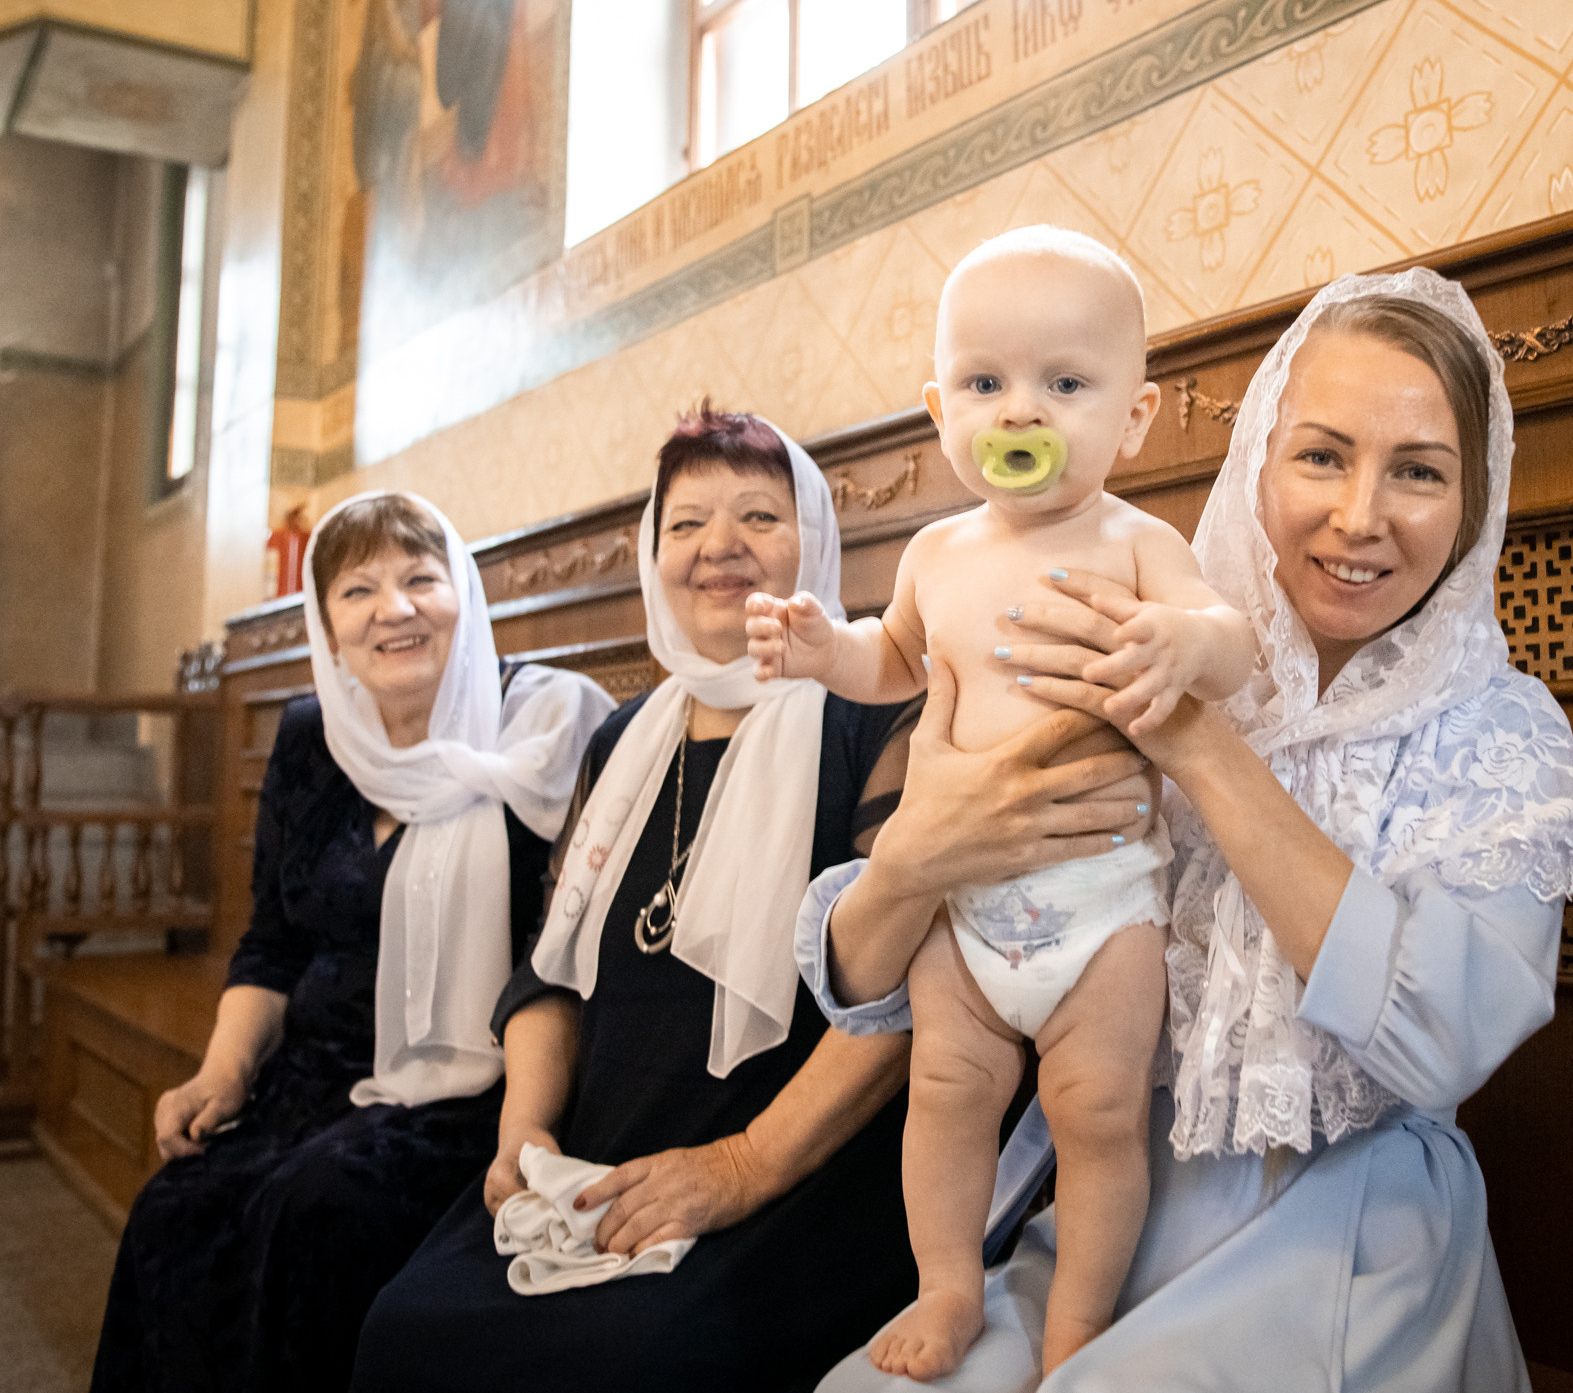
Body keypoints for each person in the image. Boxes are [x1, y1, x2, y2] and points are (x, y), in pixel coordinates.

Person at [802, 268, 1573, 1390]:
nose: (1360, 515)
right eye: (1322, 454)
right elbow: (866, 982)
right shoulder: (1111, 619)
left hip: (1346, 1234)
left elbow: (1442, 1036)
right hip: (1113, 1207)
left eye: (1419, 471)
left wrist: (1198, 741)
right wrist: (916, 852)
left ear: (1475, 500)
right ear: (1258, 464)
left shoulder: (1498, 733)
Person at [350, 409, 1150, 1393]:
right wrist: (523, 1129)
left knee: (628, 1361)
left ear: (813, 540)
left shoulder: (877, 712)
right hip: (599, 1148)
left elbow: (918, 982)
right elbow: (551, 971)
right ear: (652, 556)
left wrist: (742, 1165)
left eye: (758, 516)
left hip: (802, 1171)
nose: (719, 546)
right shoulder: (621, 738)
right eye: (684, 524)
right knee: (404, 1325)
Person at [746, 227, 1255, 1380]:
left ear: (1132, 415)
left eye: (1065, 385)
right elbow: (897, 663)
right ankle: (950, 1287)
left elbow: (1235, 646)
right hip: (962, 909)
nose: (1020, 413)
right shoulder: (935, 553)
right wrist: (829, 647)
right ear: (941, 409)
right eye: (985, 383)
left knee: (1098, 1113)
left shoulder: (1138, 542)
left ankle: (1075, 1319)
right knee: (944, 1092)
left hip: (1102, 899)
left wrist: (1183, 640)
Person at [91, 491, 613, 1393]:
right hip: (310, 1076)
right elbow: (272, 942)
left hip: (466, 1091)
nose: (394, 609)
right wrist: (220, 1075)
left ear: (466, 599)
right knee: (173, 1211)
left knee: (319, 1213)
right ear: (328, 629)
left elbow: (559, 960)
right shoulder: (310, 741)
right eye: (358, 591)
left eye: (421, 579)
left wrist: (524, 1122)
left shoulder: (541, 731)